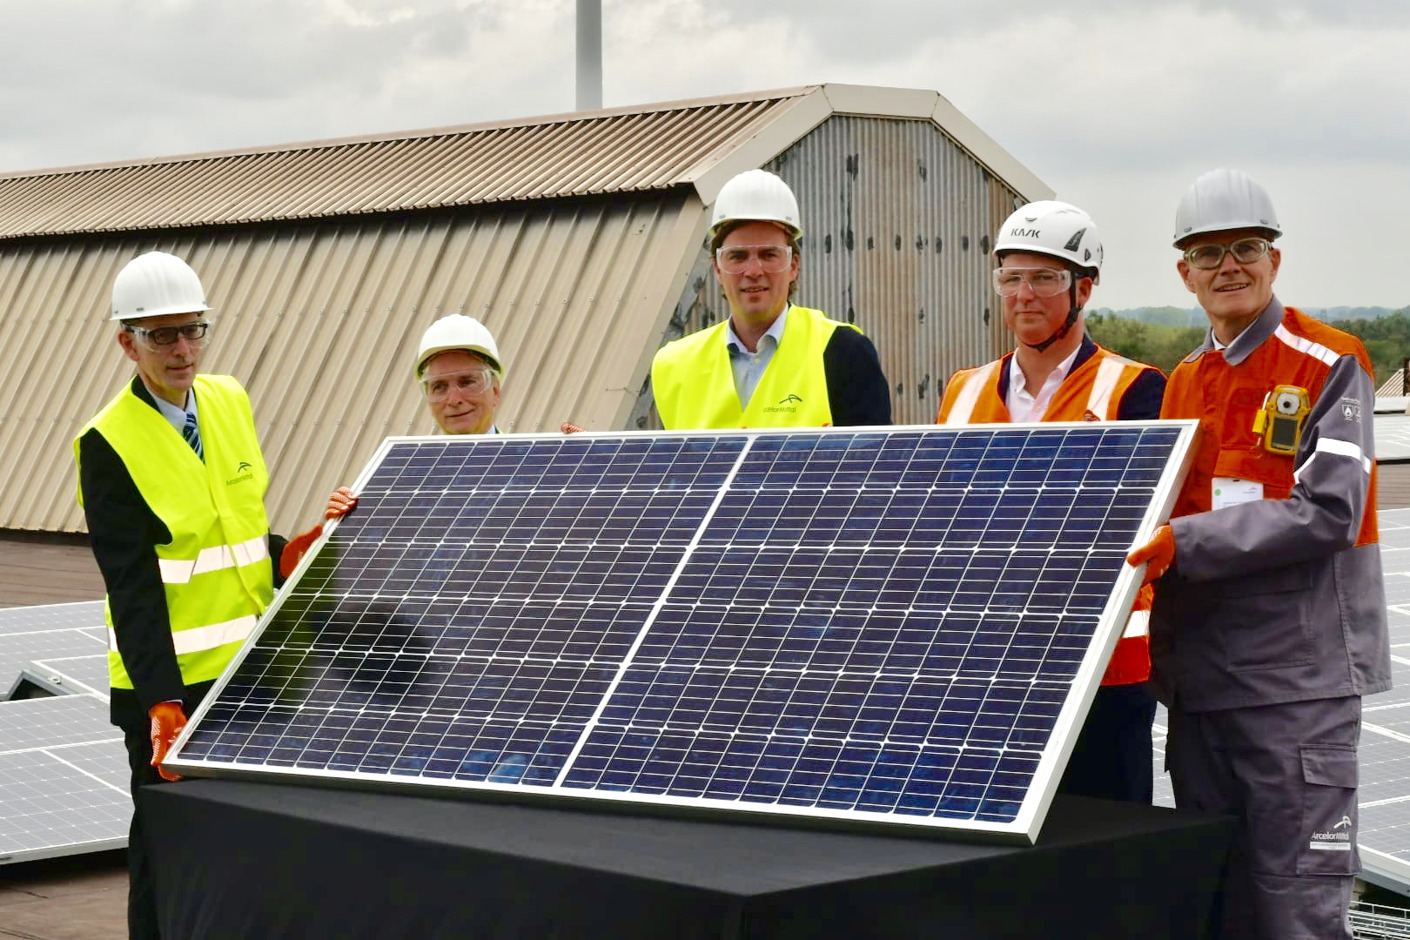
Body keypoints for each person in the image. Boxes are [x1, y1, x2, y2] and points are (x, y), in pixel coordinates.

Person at [1127, 168, 1391, 939]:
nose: (1228, 267)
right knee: (1221, 903)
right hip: (1203, 690)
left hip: (1294, 693)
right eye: (1208, 254)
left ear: (1275, 258)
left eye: (1245, 247)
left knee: (1295, 908)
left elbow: (1331, 510)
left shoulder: (1330, 361)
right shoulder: (1182, 380)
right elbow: (1158, 512)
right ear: (1184, 273)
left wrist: (1185, 542)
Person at [75, 251, 336, 938]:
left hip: (254, 672)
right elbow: (130, 584)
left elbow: (236, 524)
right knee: (167, 849)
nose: (182, 349)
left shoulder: (230, 399)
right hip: (169, 694)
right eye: (161, 335)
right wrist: (160, 703)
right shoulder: (106, 443)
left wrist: (288, 553)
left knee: (254, 835)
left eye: (193, 330)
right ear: (126, 342)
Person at [936, 201, 1166, 804]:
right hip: (987, 668)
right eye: (1011, 277)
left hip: (1104, 671)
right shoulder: (963, 392)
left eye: (1045, 278)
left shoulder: (1136, 389)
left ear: (1083, 289)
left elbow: (1124, 524)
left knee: (1105, 854)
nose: (1024, 294)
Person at [649, 169, 890, 429]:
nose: (753, 271)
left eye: (768, 254)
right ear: (718, 269)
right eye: (738, 256)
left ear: (793, 266)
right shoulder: (674, 366)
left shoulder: (843, 353)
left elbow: (875, 466)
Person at [306, 314, 506, 521]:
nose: (453, 399)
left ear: (496, 390)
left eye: (467, 382)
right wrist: (343, 527)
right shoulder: (399, 483)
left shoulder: (537, 474)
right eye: (439, 387)